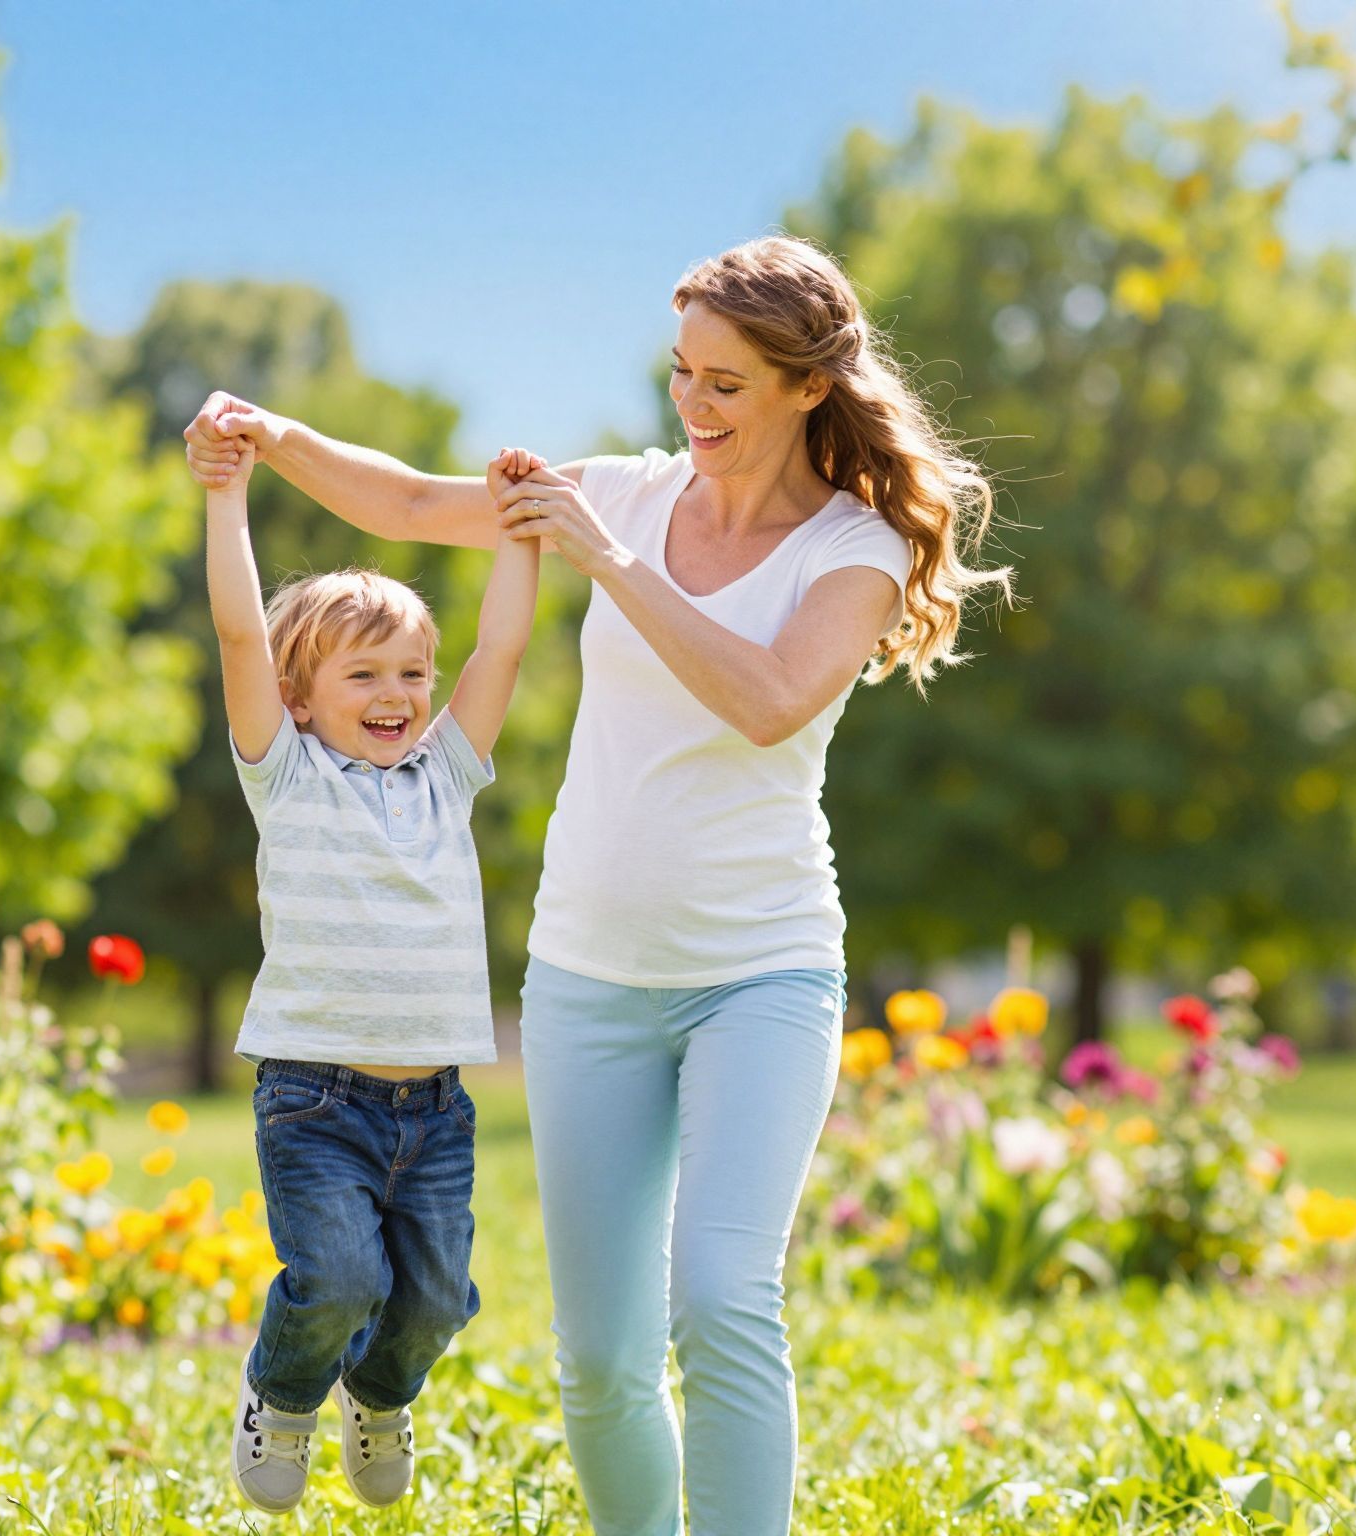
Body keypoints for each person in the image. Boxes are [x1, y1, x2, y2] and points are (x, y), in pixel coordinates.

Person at [187, 234, 1007, 1535]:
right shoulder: (626, 490)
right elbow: (409, 506)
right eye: (681, 373)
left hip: (763, 972)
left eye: (727, 383)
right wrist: (278, 436)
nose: (693, 406)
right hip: (587, 976)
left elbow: (768, 698)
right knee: (604, 1358)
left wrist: (610, 560)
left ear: (807, 388)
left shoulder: (855, 549)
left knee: (726, 1298)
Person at [204, 425, 544, 1514]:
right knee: (339, 1281)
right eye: (365, 674)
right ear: (302, 697)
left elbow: (499, 655)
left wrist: (517, 527)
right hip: (313, 1098)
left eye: (410, 671)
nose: (397, 692)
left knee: (436, 1300)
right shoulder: (287, 773)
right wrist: (226, 494)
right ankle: (283, 1394)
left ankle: (382, 1395)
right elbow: (237, 640)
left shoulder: (445, 774)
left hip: (435, 1107)